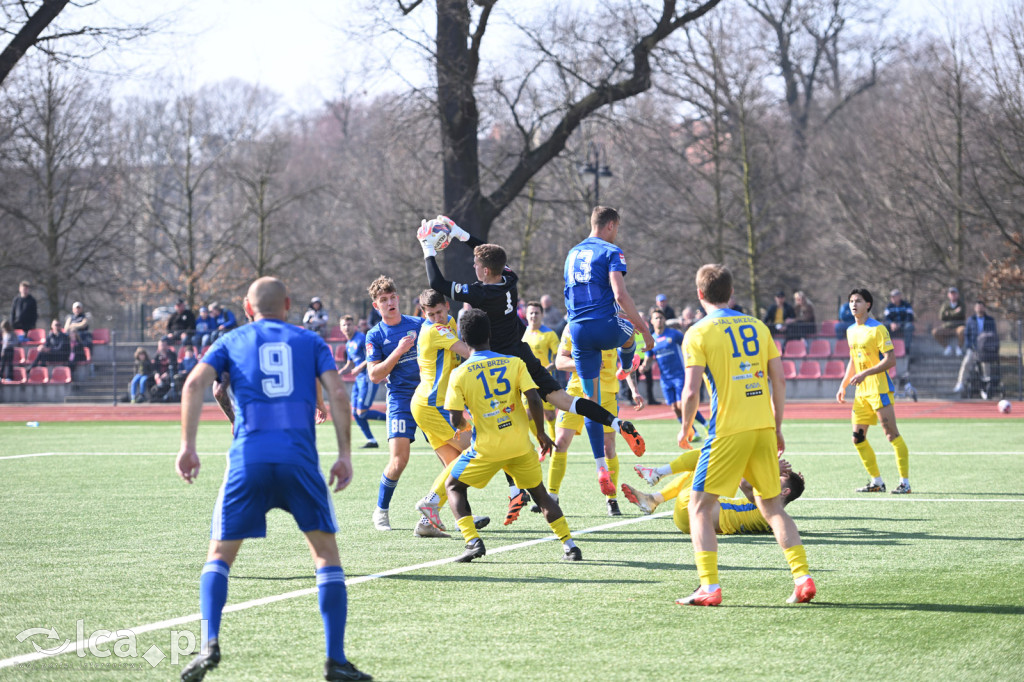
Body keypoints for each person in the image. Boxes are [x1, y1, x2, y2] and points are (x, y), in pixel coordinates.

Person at [175, 276, 370, 682]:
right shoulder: (311, 342)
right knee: (326, 558)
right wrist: (345, 454)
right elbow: (337, 395)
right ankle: (335, 660)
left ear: (248, 309)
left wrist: (188, 446)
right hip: (299, 459)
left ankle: (210, 643)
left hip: (248, 459)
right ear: (288, 304)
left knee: (219, 557)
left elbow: (195, 384)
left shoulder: (232, 340)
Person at [419, 215, 647, 520]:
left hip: (497, 365)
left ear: (485, 271)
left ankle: (502, 493)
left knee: (491, 434)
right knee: (564, 399)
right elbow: (490, 256)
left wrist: (427, 249)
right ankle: (617, 423)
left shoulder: (483, 292)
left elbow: (437, 284)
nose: (473, 269)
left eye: (476, 266)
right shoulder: (509, 278)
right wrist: (461, 234)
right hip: (522, 353)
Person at [676, 264, 814, 606]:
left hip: (727, 430)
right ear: (731, 292)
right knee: (772, 507)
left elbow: (691, 391)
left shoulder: (697, 332)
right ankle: (802, 578)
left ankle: (709, 587)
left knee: (699, 505)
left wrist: (684, 427)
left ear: (700, 294)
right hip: (763, 427)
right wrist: (777, 425)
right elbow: (778, 380)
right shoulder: (757, 326)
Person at [442, 308, 582, 562]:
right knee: (539, 494)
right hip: (520, 445)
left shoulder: (459, 374)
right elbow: (534, 399)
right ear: (490, 334)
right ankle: (570, 546)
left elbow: (454, 418)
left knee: (453, 486)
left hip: (486, 448)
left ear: (463, 338)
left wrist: (464, 423)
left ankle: (473, 541)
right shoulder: (514, 363)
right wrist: (540, 433)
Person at [562, 208, 654, 457]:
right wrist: (644, 331)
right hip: (603, 326)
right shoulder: (612, 251)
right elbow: (620, 295)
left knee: (591, 402)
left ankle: (601, 467)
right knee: (628, 332)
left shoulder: (572, 253)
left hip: (577, 330)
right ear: (611, 225)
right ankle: (625, 368)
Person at [534, 324, 643, 516]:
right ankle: (552, 496)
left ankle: (612, 499)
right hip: (576, 392)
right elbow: (560, 361)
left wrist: (634, 390)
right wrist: (584, 364)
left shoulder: (614, 324)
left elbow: (627, 361)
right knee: (560, 443)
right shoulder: (572, 327)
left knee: (608, 448)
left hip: (607, 392)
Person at [407, 289, 478, 538]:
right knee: (474, 449)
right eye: (430, 314)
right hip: (432, 405)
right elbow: (469, 353)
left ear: (447, 307)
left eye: (439, 312)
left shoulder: (446, 323)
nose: (436, 317)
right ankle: (431, 502)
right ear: (423, 312)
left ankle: (427, 522)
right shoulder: (435, 329)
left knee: (454, 465)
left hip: (431, 404)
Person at [836, 288, 912, 495]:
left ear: (868, 305)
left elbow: (891, 360)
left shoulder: (878, 329)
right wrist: (843, 385)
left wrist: (865, 374)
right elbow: (853, 360)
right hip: (861, 392)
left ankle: (905, 483)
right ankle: (876, 481)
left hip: (879, 388)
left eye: (858, 301)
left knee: (891, 434)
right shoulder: (850, 330)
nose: (853, 304)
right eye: (851, 301)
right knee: (857, 438)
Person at [365, 276, 423, 531]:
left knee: (453, 455)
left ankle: (460, 512)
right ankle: (382, 510)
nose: (390, 303)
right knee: (399, 461)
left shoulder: (420, 324)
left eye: (392, 298)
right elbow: (375, 375)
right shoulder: (374, 335)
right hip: (400, 398)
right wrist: (398, 351)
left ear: (398, 298)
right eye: (383, 300)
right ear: (376, 307)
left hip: (429, 396)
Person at [625, 450, 802, 533]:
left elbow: (744, 481)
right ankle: (653, 498)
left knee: (711, 456)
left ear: (784, 492)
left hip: (693, 510)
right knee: (699, 468)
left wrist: (770, 467)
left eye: (777, 479)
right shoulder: (774, 513)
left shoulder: (768, 505)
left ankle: (658, 474)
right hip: (690, 523)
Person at [646, 308, 708, 438]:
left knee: (682, 404)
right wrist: (643, 367)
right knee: (674, 407)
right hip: (665, 379)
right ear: (652, 321)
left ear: (665, 320)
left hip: (679, 375)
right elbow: (648, 358)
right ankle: (693, 432)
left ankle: (706, 424)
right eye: (656, 318)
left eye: (661, 318)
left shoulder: (674, 334)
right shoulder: (651, 339)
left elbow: (688, 345)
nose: (659, 320)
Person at [337, 315, 386, 449]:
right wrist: (339, 372)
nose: (347, 327)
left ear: (355, 326)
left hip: (368, 378)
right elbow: (350, 363)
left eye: (349, 324)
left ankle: (392, 419)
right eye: (344, 325)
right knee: (355, 413)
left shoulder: (361, 339)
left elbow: (373, 356)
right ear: (341, 328)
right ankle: (372, 440)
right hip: (358, 381)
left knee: (362, 412)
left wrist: (359, 367)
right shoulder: (348, 343)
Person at [522, 300, 560, 441]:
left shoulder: (550, 334)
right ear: (526, 315)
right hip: (525, 380)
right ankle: (542, 442)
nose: (533, 315)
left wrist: (545, 370)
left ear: (542, 314)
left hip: (544, 380)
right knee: (528, 414)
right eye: (530, 313)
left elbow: (559, 359)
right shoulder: (521, 334)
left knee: (549, 415)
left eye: (536, 313)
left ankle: (557, 446)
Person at [953, 300, 1000, 398]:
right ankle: (960, 383)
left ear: (984, 308)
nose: (979, 308)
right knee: (966, 362)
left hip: (985, 349)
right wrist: (970, 346)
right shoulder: (971, 320)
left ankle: (986, 387)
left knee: (986, 365)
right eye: (978, 307)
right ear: (975, 308)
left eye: (981, 306)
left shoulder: (990, 320)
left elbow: (993, 334)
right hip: (974, 348)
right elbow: (967, 335)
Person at [933, 286, 966, 357]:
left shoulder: (961, 304)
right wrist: (954, 312)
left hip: (958, 326)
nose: (953, 295)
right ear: (948, 295)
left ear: (958, 295)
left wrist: (948, 313)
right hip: (947, 327)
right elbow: (941, 316)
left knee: (962, 330)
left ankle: (959, 348)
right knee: (935, 332)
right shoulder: (945, 304)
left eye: (955, 293)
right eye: (951, 294)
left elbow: (961, 314)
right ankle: (947, 348)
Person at [883, 288, 915, 355]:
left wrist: (900, 324)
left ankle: (906, 349)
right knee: (883, 327)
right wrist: (891, 323)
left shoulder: (906, 305)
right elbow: (886, 318)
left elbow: (909, 317)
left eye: (894, 296)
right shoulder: (889, 306)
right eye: (891, 297)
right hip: (892, 326)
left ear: (899, 296)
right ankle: (887, 348)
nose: (892, 298)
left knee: (909, 326)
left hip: (903, 325)